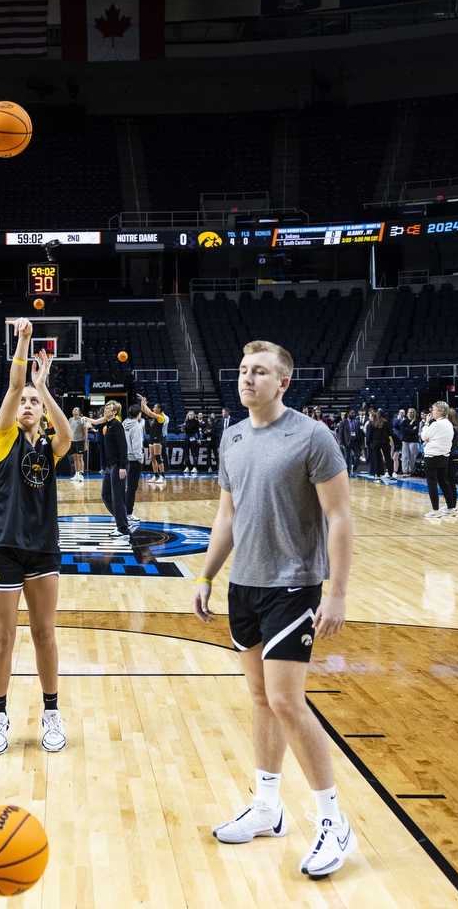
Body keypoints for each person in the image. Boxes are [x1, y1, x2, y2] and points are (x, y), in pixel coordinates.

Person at [195, 339, 358, 879]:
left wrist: (335, 592)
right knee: (261, 699)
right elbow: (226, 517)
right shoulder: (233, 436)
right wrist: (206, 574)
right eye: (243, 370)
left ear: (283, 382)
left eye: (260, 372)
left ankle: (333, 820)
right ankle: (267, 807)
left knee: (288, 701)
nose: (247, 379)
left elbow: (339, 517)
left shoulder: (312, 436)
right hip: (244, 586)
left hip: (293, 586)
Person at [0, 320, 72, 756]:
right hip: (4, 546)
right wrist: (22, 344)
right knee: (3, 637)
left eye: (35, 402)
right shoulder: (3, 440)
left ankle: (51, 713)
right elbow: (16, 385)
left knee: (45, 634)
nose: (29, 404)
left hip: (43, 547)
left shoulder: (51, 447)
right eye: (25, 402)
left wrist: (45, 386)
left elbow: (68, 436)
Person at [92, 401, 131, 540]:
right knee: (106, 495)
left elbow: (123, 447)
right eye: (105, 407)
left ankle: (123, 529)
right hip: (110, 466)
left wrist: (122, 466)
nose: (105, 409)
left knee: (117, 498)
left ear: (114, 412)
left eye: (108, 408)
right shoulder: (108, 424)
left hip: (118, 466)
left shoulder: (116, 424)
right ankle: (123, 521)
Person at [420, 402, 458, 519]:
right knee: (444, 482)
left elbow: (423, 436)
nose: (432, 412)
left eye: (434, 410)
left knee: (432, 482)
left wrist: (426, 423)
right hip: (444, 456)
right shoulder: (449, 424)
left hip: (432, 456)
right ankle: (451, 508)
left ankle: (435, 509)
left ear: (441, 412)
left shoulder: (436, 424)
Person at [123, 403, 145, 525]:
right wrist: (140, 459)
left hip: (125, 459)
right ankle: (129, 513)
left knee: (125, 487)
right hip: (134, 460)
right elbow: (137, 446)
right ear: (139, 414)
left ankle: (123, 512)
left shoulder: (123, 424)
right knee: (132, 488)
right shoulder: (136, 427)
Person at [140, 397, 167, 487]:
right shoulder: (153, 416)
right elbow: (144, 410)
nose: (153, 408)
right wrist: (142, 402)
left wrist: (144, 404)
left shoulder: (160, 417)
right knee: (152, 458)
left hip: (158, 439)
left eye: (155, 407)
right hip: (152, 438)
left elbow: (149, 412)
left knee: (158, 457)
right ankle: (155, 476)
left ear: (159, 409)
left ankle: (162, 476)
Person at [67, 407, 87, 482]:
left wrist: (85, 444)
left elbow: (85, 432)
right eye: (73, 409)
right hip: (73, 441)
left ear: (79, 413)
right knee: (75, 458)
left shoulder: (82, 420)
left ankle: (81, 474)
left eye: (76, 409)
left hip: (80, 441)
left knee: (80, 457)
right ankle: (77, 474)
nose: (74, 410)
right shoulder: (70, 419)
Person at [401, 407, 421, 476]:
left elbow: (415, 432)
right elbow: (403, 431)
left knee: (412, 457)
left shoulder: (417, 422)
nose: (410, 414)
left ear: (414, 413)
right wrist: (411, 430)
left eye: (411, 412)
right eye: (409, 412)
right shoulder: (404, 422)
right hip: (405, 440)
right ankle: (405, 471)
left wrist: (408, 430)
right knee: (405, 456)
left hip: (413, 441)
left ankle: (411, 471)